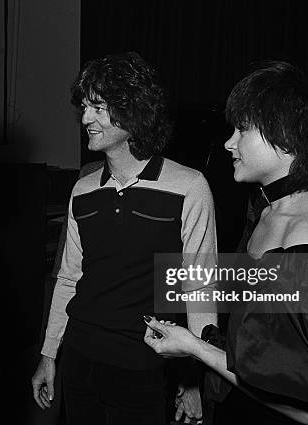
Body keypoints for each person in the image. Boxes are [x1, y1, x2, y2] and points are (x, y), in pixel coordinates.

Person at [144, 61, 308, 424]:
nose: (228, 142)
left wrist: (195, 349)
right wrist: (201, 383)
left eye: (243, 130)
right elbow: (254, 332)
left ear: (287, 138)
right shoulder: (269, 208)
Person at [31, 51, 217, 425]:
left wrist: (195, 378)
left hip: (143, 367)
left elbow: (199, 287)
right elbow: (68, 277)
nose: (85, 119)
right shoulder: (82, 189)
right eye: (84, 107)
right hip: (80, 360)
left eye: (98, 108)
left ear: (135, 111)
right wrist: (49, 355)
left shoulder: (190, 186)